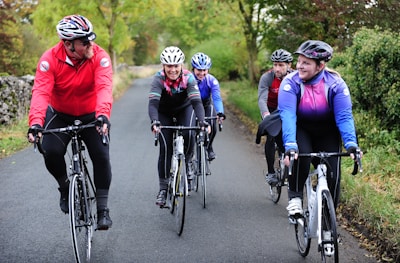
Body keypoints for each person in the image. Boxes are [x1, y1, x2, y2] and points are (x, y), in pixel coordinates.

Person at [27, 14, 113, 230]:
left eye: (91, 39)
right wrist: (36, 122)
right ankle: (65, 187)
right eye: (84, 41)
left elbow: (104, 87)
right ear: (68, 44)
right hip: (60, 114)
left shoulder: (99, 56)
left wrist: (103, 115)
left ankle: (103, 210)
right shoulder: (49, 60)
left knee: (101, 156)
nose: (90, 44)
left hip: (91, 114)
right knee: (51, 151)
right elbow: (40, 92)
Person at [278, 40, 362, 217]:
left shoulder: (336, 84)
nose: (299, 66)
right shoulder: (290, 83)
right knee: (301, 156)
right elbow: (287, 115)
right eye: (299, 61)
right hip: (301, 128)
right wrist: (290, 144)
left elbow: (344, 116)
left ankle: (328, 225)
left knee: (334, 175)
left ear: (320, 65)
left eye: (306, 63)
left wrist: (351, 144)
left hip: (327, 131)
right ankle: (295, 197)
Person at [149, 46, 208, 207]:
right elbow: (153, 104)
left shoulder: (189, 78)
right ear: (164, 66)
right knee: (166, 147)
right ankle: (163, 189)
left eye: (176, 66)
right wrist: (154, 121)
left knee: (189, 135)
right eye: (169, 66)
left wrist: (202, 121)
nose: (173, 70)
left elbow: (196, 102)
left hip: (184, 109)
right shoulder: (158, 79)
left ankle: (188, 161)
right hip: (164, 112)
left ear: (181, 65)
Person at [257, 49, 293, 185]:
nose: (277, 68)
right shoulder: (267, 77)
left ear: (289, 65)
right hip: (271, 109)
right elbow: (262, 99)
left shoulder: (295, 77)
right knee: (271, 136)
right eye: (275, 65)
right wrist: (266, 116)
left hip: (289, 108)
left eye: (281, 65)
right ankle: (271, 172)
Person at [191, 52, 226, 160]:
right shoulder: (188, 79)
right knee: (189, 128)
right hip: (191, 105)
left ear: (208, 70)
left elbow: (216, 98)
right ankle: (189, 151)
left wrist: (220, 112)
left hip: (205, 105)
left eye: (204, 70)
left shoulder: (212, 80)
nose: (202, 73)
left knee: (212, 124)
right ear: (193, 69)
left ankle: (209, 147)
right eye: (199, 70)